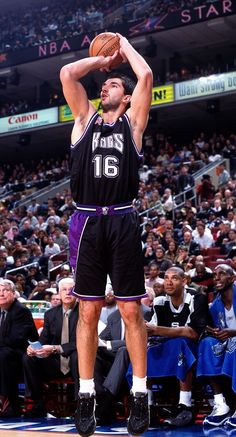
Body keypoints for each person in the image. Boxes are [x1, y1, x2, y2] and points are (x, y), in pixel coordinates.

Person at [60, 32, 153, 436]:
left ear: (127, 97)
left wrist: (123, 46)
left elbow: (145, 73)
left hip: (123, 219)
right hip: (86, 221)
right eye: (105, 84)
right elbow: (67, 73)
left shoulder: (133, 125)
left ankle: (140, 394)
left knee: (132, 311)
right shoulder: (84, 119)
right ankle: (85, 396)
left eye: (114, 83)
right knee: (88, 310)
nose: (106, 86)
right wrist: (100, 62)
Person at [144, 267, 208, 427]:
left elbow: (193, 333)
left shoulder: (197, 298)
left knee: (181, 343)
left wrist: (157, 330)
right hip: (168, 348)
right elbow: (150, 330)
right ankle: (147, 407)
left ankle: (185, 406)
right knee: (145, 350)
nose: (169, 282)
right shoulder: (159, 301)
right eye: (166, 278)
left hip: (195, 351)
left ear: (184, 281)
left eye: (174, 278)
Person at [22, 277, 79, 417]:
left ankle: (81, 405)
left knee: (78, 356)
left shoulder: (85, 312)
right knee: (29, 358)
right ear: (58, 294)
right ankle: (37, 402)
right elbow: (44, 340)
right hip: (55, 363)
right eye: (63, 290)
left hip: (75, 360)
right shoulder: (50, 314)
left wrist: (55, 348)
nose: (67, 293)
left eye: (71, 290)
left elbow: (83, 342)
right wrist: (35, 349)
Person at [197, 264, 236, 427]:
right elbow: (219, 331)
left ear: (233, 278)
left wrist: (234, 333)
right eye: (214, 275)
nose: (217, 278)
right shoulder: (214, 305)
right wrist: (212, 331)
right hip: (228, 343)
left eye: (222, 274)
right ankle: (221, 404)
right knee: (206, 344)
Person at [0, 278, 38, 417]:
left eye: (6, 291)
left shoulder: (21, 311)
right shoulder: (1, 310)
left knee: (3, 355)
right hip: (5, 351)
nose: (2, 294)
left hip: (24, 355)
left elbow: (15, 339)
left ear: (14, 293)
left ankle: (9, 403)